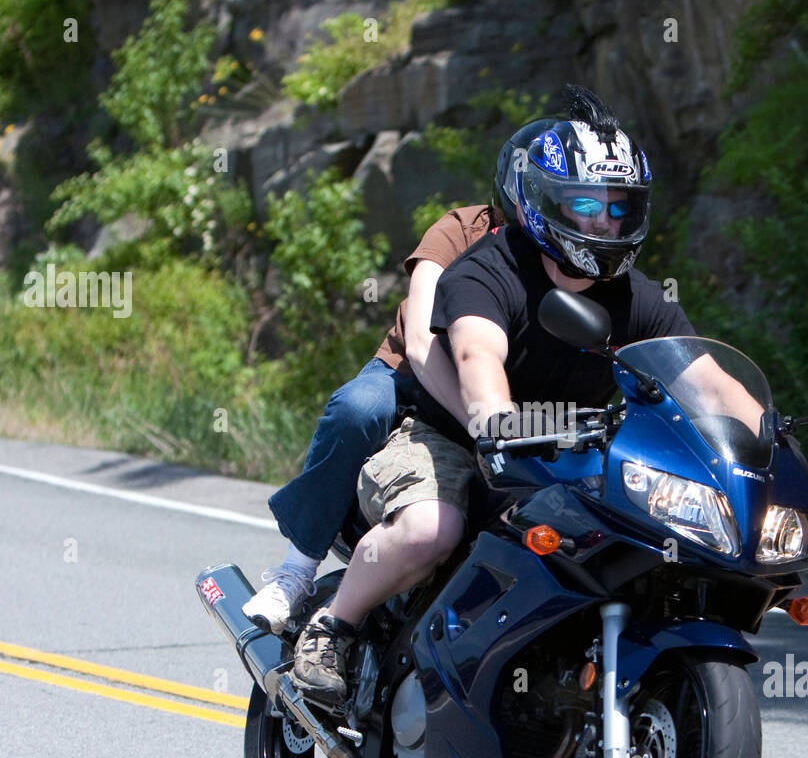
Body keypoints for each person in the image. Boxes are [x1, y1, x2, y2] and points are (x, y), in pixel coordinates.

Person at [289, 85, 764, 705]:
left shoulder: (638, 297)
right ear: (546, 202)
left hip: (578, 455)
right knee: (432, 529)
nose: (604, 223)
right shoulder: (493, 267)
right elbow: (474, 351)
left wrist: (766, 441)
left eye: (619, 208)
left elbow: (707, 378)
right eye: (587, 204)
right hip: (452, 439)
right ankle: (333, 629)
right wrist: (495, 420)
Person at [241, 118, 556, 634]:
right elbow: (421, 338)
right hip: (412, 370)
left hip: (500, 393)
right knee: (357, 410)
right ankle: (297, 569)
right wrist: (492, 431)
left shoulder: (569, 262)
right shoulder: (460, 229)